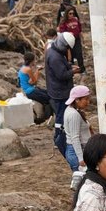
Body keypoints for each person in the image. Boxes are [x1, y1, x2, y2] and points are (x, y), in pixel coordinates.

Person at [45, 30, 78, 160]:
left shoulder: (54, 52)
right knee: (61, 116)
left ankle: (61, 137)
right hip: (60, 91)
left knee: (62, 115)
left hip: (58, 90)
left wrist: (68, 66)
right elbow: (61, 75)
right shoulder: (55, 56)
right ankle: (59, 139)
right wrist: (72, 71)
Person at [60, 84, 94, 172]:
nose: (88, 102)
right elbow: (75, 137)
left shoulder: (73, 110)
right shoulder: (73, 114)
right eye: (85, 99)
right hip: (77, 152)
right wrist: (80, 158)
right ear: (77, 100)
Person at [16, 51, 52, 119]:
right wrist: (37, 71)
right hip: (30, 91)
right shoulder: (28, 69)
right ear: (32, 60)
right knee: (49, 99)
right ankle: (48, 118)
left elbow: (29, 81)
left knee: (48, 93)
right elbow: (34, 81)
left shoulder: (23, 68)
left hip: (28, 89)